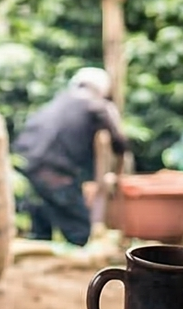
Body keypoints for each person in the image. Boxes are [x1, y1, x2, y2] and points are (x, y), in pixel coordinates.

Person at [14, 67, 130, 248]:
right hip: (55, 173)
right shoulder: (98, 105)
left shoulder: (57, 102)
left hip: (25, 167)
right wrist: (117, 174)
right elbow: (120, 143)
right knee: (80, 231)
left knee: (40, 233)